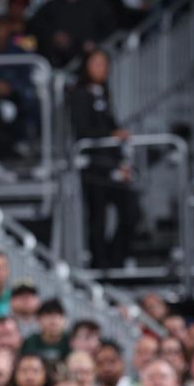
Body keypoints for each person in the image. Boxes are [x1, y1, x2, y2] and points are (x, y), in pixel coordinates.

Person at [70, 49, 139, 269]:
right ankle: (100, 265)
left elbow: (111, 126)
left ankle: (115, 259)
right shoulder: (79, 94)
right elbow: (82, 130)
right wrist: (111, 135)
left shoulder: (103, 93)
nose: (102, 68)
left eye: (104, 64)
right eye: (96, 63)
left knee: (131, 212)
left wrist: (122, 162)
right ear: (86, 66)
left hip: (112, 164)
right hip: (94, 167)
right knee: (97, 218)